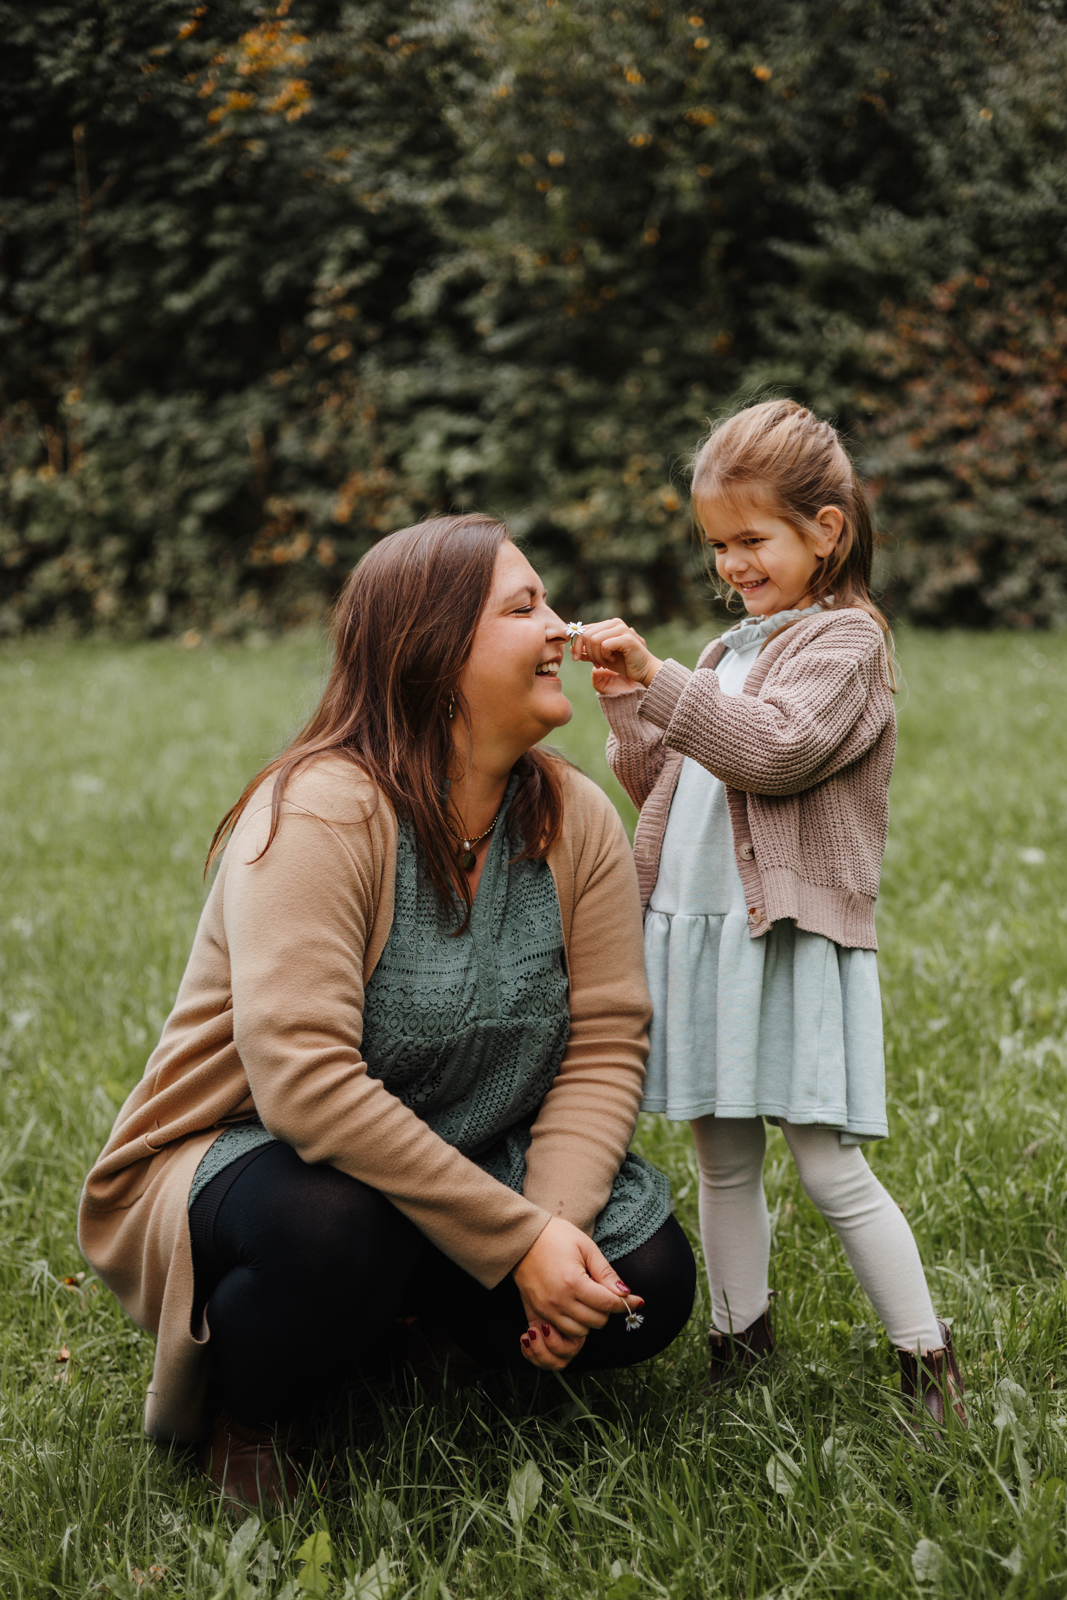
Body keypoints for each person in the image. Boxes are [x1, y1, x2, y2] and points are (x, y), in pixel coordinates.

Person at [78, 516, 696, 1508]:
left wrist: (556, 1230)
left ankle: (426, 1337)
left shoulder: (575, 815)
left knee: (647, 1284)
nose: (562, 628)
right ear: (434, 652)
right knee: (332, 1226)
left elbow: (604, 1042)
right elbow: (304, 1089)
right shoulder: (322, 808)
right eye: (523, 607)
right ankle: (256, 1416)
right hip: (257, 1160)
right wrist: (516, 1245)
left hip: (467, 1159)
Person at [572, 400, 965, 1433]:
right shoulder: (724, 648)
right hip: (697, 934)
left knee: (828, 1165)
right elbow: (665, 778)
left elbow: (773, 751)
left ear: (823, 529)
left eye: (751, 539)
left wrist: (665, 682)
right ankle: (739, 1344)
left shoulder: (845, 645)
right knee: (720, 1157)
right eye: (716, 545)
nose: (730, 564)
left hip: (780, 937)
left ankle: (926, 1359)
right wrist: (631, 699)